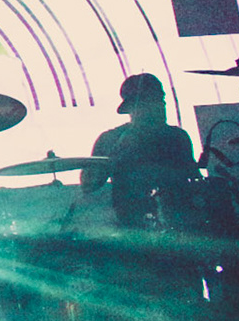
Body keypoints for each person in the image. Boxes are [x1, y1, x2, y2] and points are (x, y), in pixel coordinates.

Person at [82, 73, 197, 228]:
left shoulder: (177, 137)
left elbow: (192, 181)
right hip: (133, 229)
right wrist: (117, 152)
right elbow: (88, 185)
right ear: (132, 107)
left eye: (160, 99)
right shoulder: (111, 139)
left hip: (177, 226)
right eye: (150, 101)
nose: (161, 105)